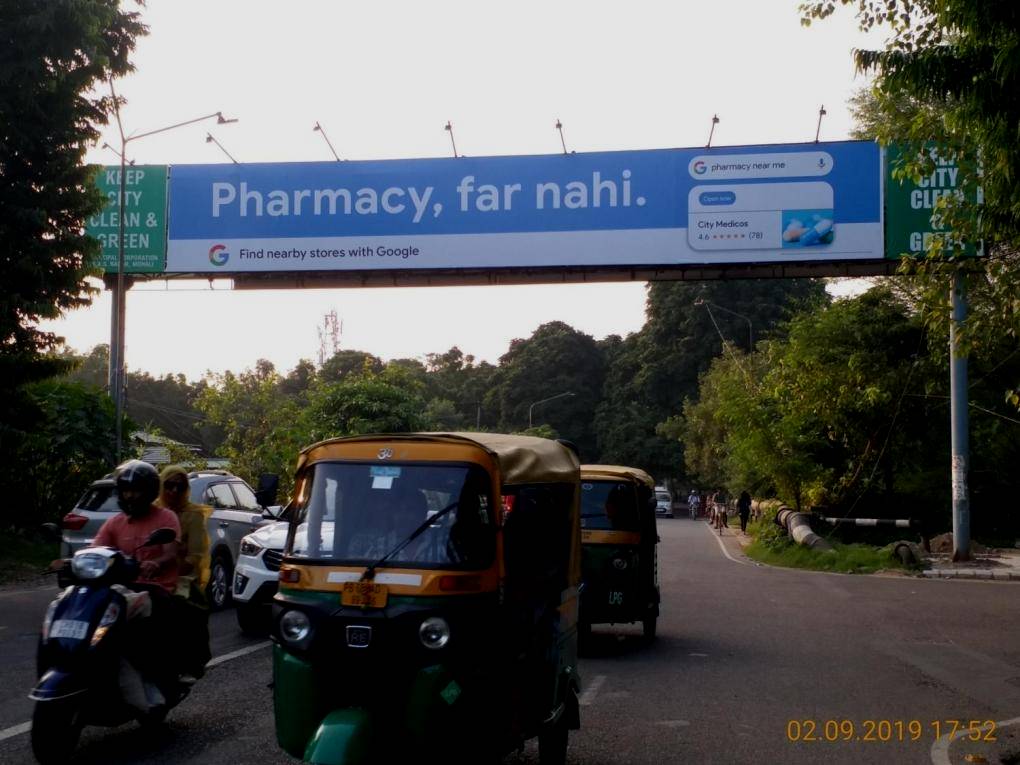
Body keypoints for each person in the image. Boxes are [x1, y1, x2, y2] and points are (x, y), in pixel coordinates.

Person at [93, 460, 181, 697]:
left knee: (144, 629)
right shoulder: (115, 523)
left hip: (155, 588)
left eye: (136, 490)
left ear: (150, 492)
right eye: (126, 490)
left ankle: (153, 680)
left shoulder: (166, 518)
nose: (130, 496)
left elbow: (170, 552)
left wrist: (156, 563)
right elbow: (97, 550)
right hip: (121, 588)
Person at [157, 465, 213, 680]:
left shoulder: (193, 515)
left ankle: (190, 662)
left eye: (179, 487)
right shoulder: (153, 511)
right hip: (150, 574)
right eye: (169, 485)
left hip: (181, 575)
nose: (173, 491)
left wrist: (174, 572)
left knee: (186, 607)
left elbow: (196, 555)